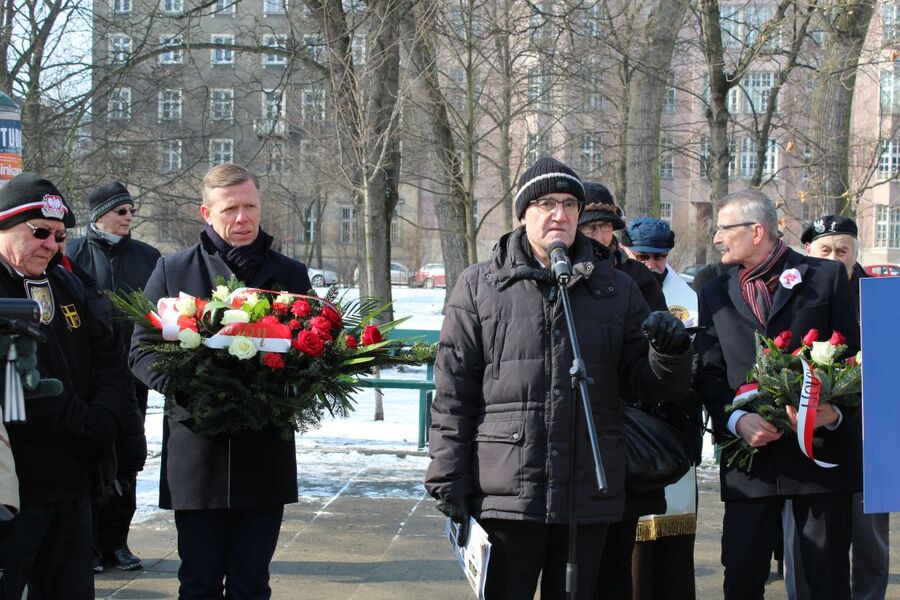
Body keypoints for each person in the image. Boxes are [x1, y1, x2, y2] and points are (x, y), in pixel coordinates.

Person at [424, 157, 694, 600]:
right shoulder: (478, 286)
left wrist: (670, 352)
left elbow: (650, 386)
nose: (560, 214)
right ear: (523, 213)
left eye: (569, 204)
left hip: (587, 490)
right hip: (506, 492)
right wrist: (447, 477)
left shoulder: (617, 288)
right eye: (546, 203)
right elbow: (454, 395)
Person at [129, 164, 311, 599]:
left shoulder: (290, 275)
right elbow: (141, 351)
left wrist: (289, 386)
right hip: (198, 450)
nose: (242, 218)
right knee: (199, 582)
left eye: (250, 206)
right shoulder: (173, 270)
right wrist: (193, 386)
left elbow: (314, 351)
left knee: (252, 583)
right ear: (206, 213)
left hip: (264, 449)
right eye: (230, 209)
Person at [694, 189, 861, 600]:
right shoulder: (713, 290)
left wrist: (834, 414)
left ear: (757, 231)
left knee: (828, 580)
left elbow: (852, 359)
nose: (717, 238)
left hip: (819, 458)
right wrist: (736, 420)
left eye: (724, 228)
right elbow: (708, 372)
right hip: (750, 462)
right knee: (742, 578)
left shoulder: (824, 276)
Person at [0, 172, 130, 598]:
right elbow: (21, 386)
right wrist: (89, 424)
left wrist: (108, 416)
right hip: (14, 486)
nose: (51, 245)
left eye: (59, 236)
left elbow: (107, 356)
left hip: (74, 481)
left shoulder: (66, 282)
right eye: (39, 232)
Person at [780, 215, 889, 600]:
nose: (834, 257)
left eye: (843, 250)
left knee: (869, 537)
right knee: (804, 537)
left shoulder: (880, 297)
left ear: (856, 253)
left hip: (870, 437)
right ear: (809, 251)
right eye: (825, 250)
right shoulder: (795, 293)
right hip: (808, 433)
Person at [67, 181, 160, 572]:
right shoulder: (72, 254)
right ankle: (87, 545)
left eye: (131, 211)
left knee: (129, 459)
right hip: (87, 379)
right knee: (91, 458)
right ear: (99, 214)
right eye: (121, 211)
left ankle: (117, 542)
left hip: (132, 377)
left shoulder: (148, 257)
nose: (128, 217)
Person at [620, 217, 701, 600]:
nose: (653, 265)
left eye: (660, 257)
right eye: (643, 257)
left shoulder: (689, 297)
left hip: (673, 428)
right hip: (629, 429)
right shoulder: (619, 286)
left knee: (674, 556)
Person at [626, 218, 697, 327]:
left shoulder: (686, 295)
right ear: (624, 250)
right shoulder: (613, 286)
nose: (650, 265)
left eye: (658, 257)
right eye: (642, 257)